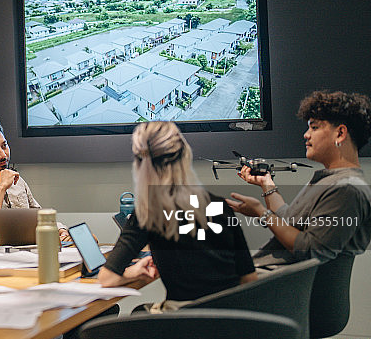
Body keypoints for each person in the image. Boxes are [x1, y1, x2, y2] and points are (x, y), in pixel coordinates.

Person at [98, 121, 256, 309]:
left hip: (183, 327)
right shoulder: (219, 206)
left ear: (140, 164)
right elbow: (249, 278)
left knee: (137, 314)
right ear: (185, 156)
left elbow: (106, 279)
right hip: (233, 323)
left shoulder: (148, 214)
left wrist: (133, 273)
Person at [228, 90, 371, 268]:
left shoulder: (346, 189)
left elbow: (311, 250)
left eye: (314, 127)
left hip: (276, 288)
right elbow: (289, 221)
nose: (306, 135)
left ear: (340, 133)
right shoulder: (332, 181)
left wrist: (261, 213)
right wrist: (267, 184)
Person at [0, 117, 70, 242]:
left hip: (23, 250)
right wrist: (1, 188)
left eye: (4, 146)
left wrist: (60, 230)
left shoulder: (17, 180)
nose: (3, 155)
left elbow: (37, 217)